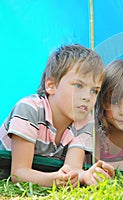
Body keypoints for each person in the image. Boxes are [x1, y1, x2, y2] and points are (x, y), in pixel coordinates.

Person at [0, 44, 114, 187]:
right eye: (79, 86)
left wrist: (85, 175)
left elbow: (72, 169)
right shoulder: (29, 109)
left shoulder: (86, 122)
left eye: (94, 91)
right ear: (51, 85)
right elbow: (19, 173)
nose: (87, 97)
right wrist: (53, 180)